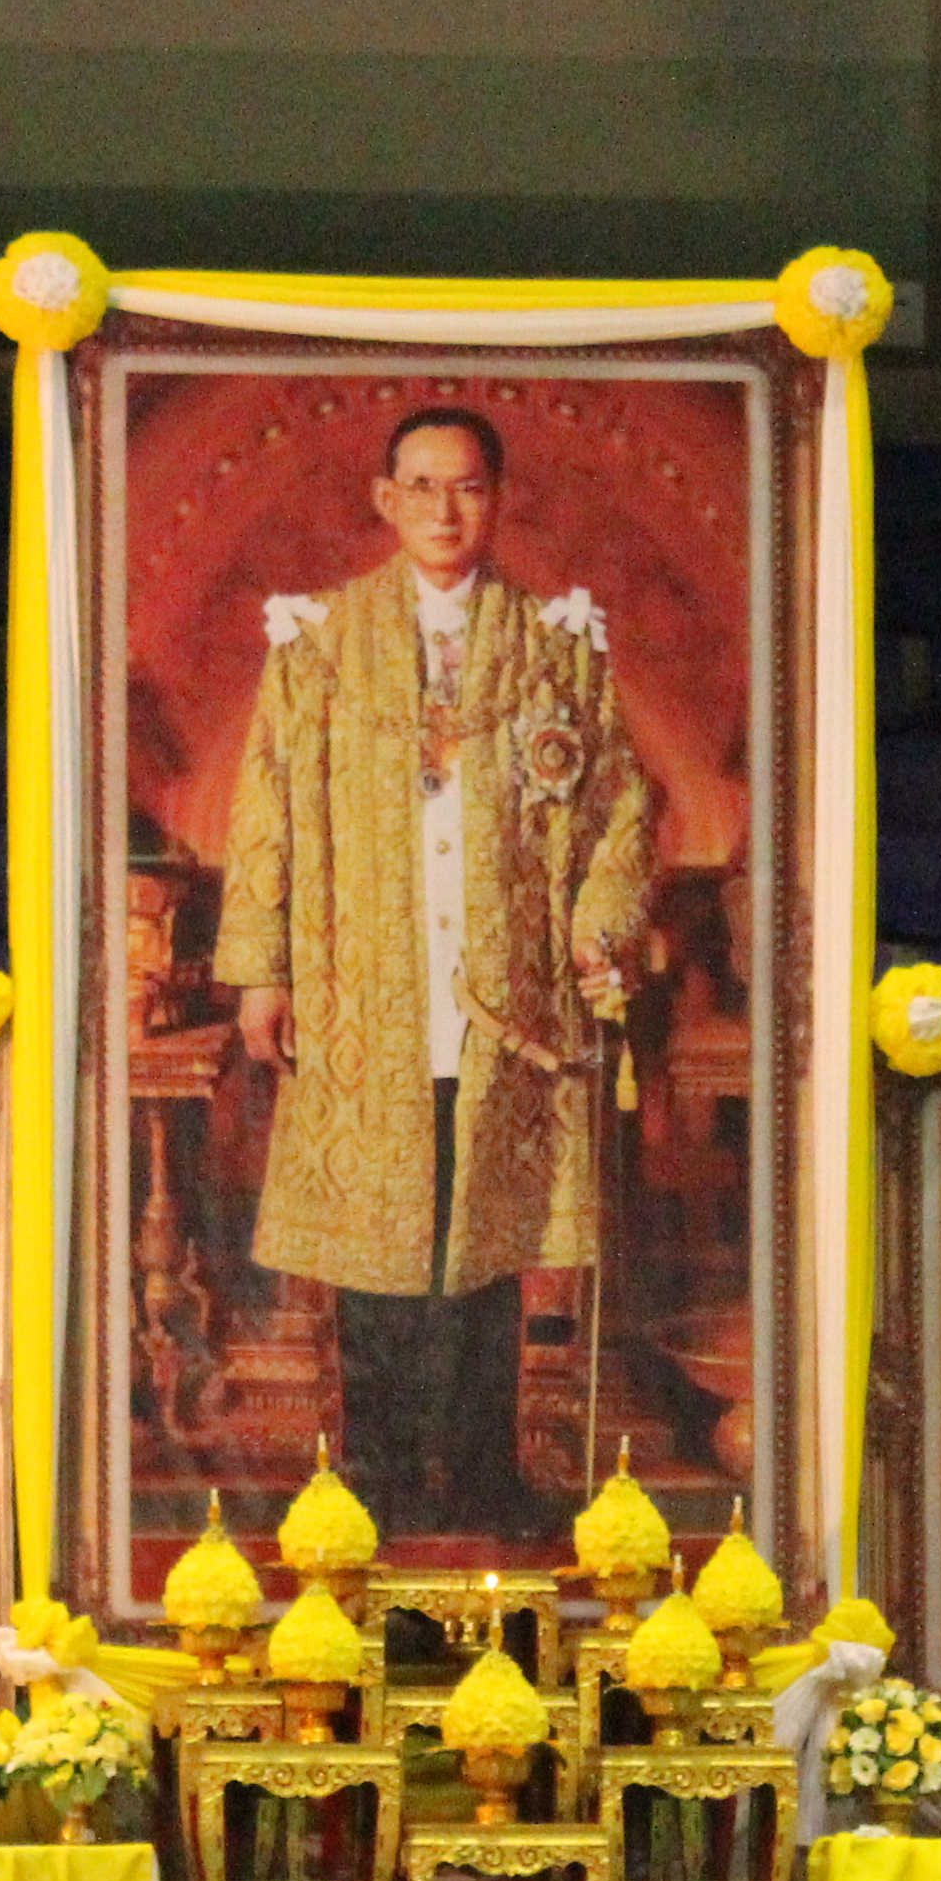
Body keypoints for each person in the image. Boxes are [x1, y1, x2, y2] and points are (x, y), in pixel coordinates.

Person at [210, 403, 658, 1539]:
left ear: (496, 498)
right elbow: (264, 811)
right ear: (384, 497)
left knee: (487, 1245)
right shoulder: (319, 645)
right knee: (380, 1251)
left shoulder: (556, 645)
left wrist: (598, 928)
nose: (443, 509)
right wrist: (264, 971)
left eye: (465, 487)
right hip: (368, 991)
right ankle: (376, 1476)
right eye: (421, 485)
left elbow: (616, 809)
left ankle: (486, 1472)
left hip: (506, 1001)